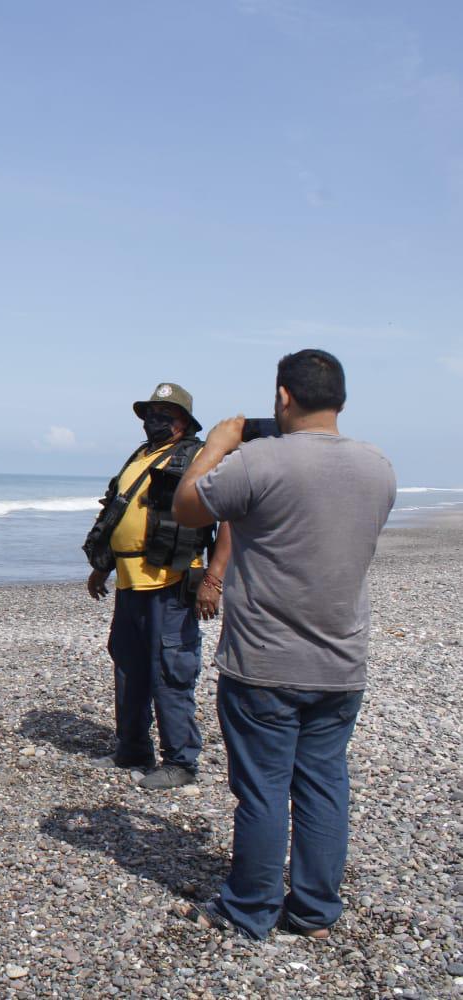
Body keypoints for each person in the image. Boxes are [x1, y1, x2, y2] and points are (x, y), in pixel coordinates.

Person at [172, 349, 395, 940]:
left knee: (264, 790)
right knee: (323, 784)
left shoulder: (260, 461)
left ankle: (250, 909)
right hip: (341, 661)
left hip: (265, 662)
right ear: (340, 400)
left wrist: (217, 445)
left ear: (283, 396)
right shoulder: (378, 467)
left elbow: (188, 505)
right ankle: (316, 913)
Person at [85, 382, 230, 791]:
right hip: (130, 584)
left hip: (172, 582)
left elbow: (230, 518)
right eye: (151, 413)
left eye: (165, 414)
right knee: (128, 666)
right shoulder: (141, 456)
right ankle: (132, 749)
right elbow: (118, 512)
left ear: (184, 421)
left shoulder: (201, 458)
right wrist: (103, 566)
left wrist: (214, 582)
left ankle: (180, 762)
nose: (155, 420)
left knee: (171, 670)